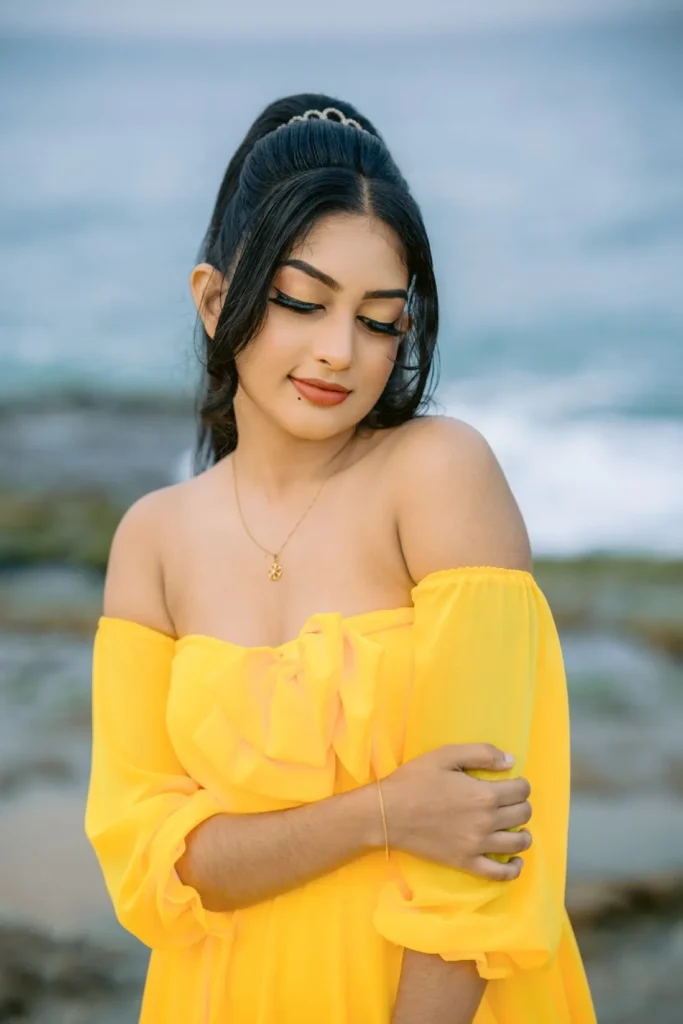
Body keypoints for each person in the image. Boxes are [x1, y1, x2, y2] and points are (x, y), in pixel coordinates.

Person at [84, 94, 596, 1023]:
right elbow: (151, 865)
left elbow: (480, 868)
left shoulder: (440, 476)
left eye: (378, 319)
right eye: (301, 303)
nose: (338, 353)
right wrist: (382, 815)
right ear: (214, 299)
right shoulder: (151, 541)